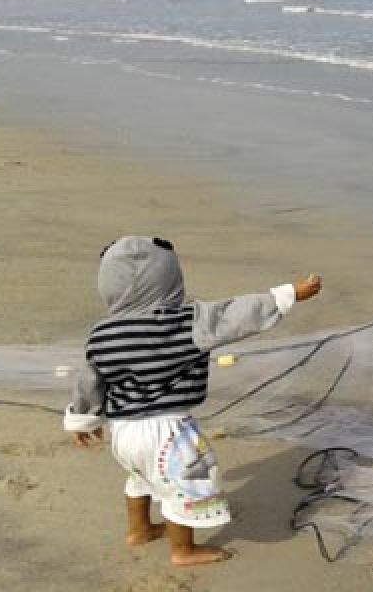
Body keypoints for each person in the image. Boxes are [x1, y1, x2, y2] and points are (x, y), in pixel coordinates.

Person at [63, 235, 322, 566]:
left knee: (140, 477)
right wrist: (289, 295)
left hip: (123, 431)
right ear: (169, 280)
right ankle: (183, 549)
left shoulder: (101, 334)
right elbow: (237, 314)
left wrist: (82, 419)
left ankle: (139, 530)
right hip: (168, 431)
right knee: (185, 485)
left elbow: (89, 380)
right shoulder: (188, 322)